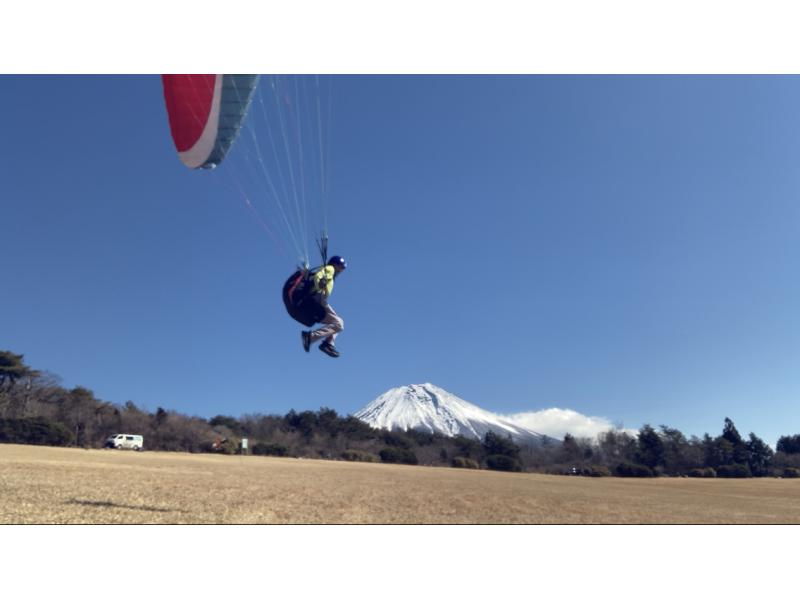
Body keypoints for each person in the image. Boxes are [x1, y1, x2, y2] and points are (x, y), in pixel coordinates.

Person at [301, 255, 347, 357]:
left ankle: (328, 343)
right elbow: (318, 276)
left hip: (319, 299)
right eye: (341, 267)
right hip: (318, 299)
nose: (341, 270)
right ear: (335, 264)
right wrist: (320, 284)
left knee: (339, 323)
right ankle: (311, 337)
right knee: (339, 324)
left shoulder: (329, 270)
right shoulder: (330, 268)